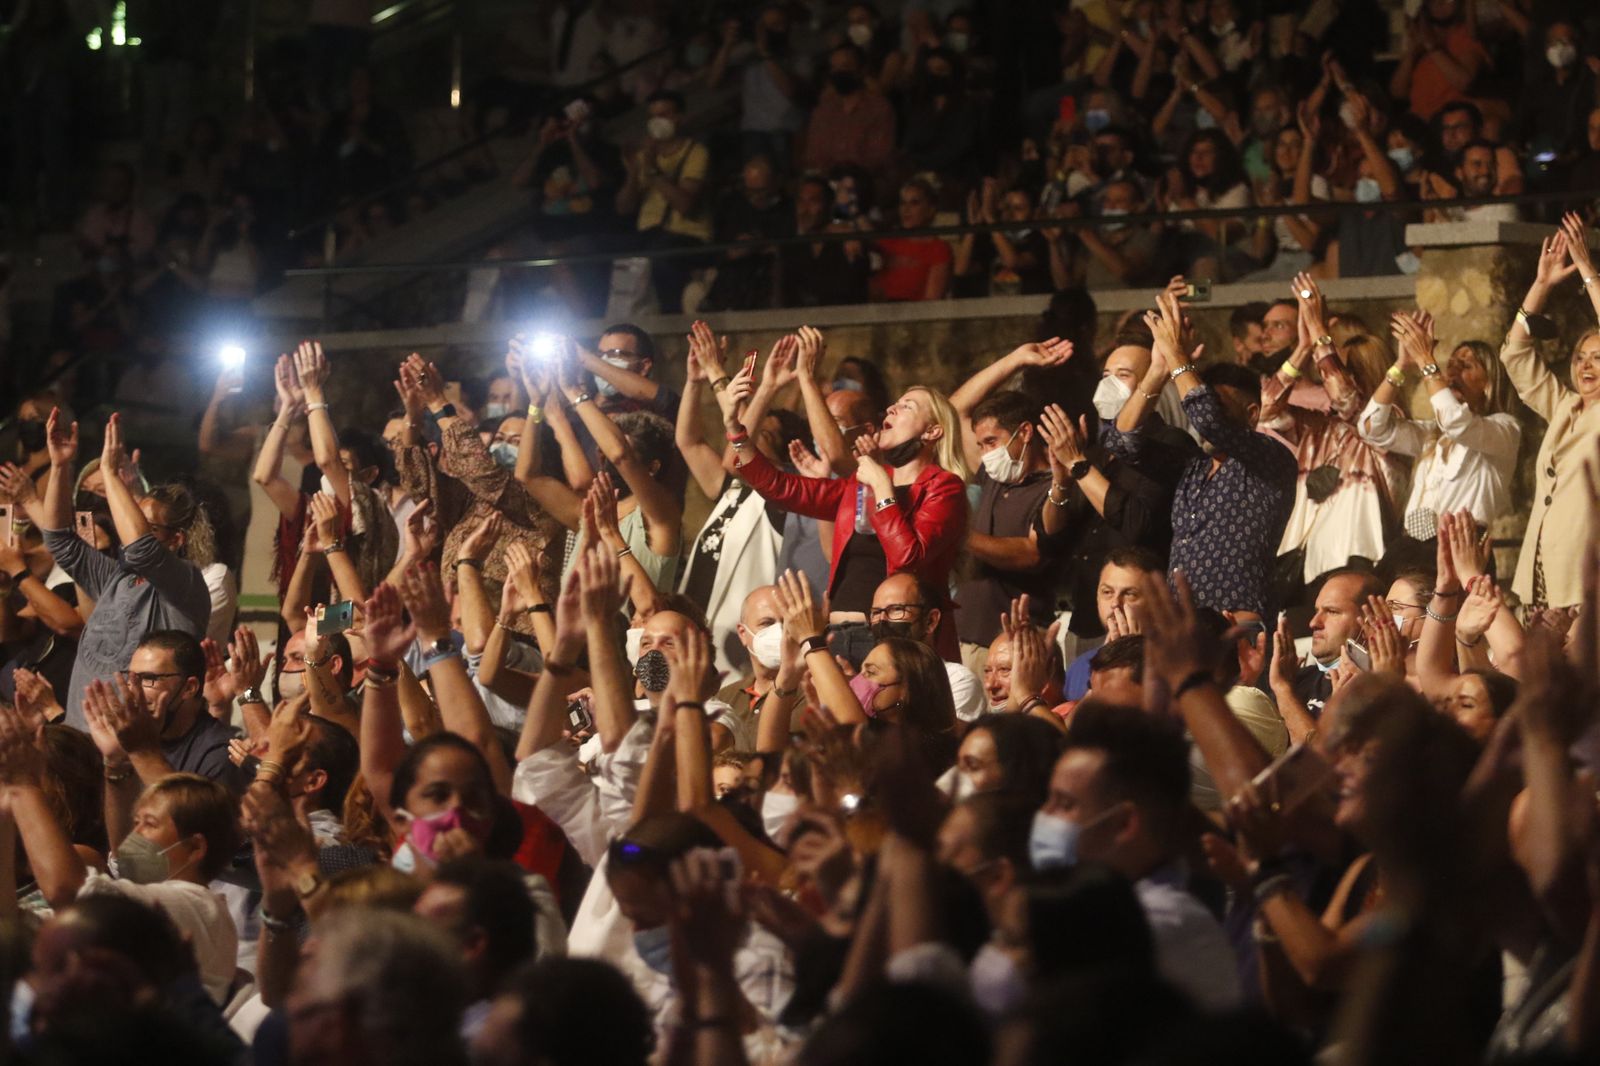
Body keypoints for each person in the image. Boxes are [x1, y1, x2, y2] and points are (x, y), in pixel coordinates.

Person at [727, 381, 970, 659]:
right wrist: (736, 431)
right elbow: (780, 489)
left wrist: (881, 486)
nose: (892, 407)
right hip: (837, 635)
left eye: (907, 406)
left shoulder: (943, 486)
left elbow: (908, 557)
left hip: (891, 642)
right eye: (895, 402)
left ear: (932, 431)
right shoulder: (861, 483)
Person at [1031, 702, 1242, 1012]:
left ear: (1124, 824)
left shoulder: (1160, 927)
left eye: (1064, 804)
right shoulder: (1101, 904)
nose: (1044, 816)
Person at [1104, 293, 1297, 621]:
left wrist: (1179, 356)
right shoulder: (1192, 465)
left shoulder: (1269, 457)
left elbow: (1208, 418)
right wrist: (1158, 370)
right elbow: (1122, 441)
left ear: (1252, 413)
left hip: (1237, 628)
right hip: (1182, 630)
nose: (1201, 414)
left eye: (1220, 404)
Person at [19, 410, 212, 731]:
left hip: (131, 749)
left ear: (176, 539)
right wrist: (60, 466)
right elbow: (59, 540)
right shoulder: (118, 577)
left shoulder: (185, 583)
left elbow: (141, 548)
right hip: (80, 740)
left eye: (147, 525)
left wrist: (108, 472)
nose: (129, 528)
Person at [1501, 223, 1600, 609]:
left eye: (1598, 358)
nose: (1586, 366)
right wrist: (1541, 285)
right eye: (1581, 357)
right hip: (1539, 575)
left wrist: (1587, 270)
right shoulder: (1564, 405)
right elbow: (1515, 354)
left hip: (1584, 582)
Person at [949, 367, 1072, 666]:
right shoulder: (994, 474)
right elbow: (955, 409)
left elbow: (1031, 553)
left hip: (1015, 646)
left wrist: (958, 534)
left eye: (992, 442)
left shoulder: (1056, 488)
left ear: (1026, 432)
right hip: (965, 636)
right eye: (981, 445)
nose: (986, 453)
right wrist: (1018, 359)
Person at [1359, 321, 1520, 540]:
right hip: (1412, 548)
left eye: (1466, 366)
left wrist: (1425, 359)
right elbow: (1372, 429)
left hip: (1458, 549)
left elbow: (1456, 422)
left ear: (1489, 382)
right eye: (1451, 365)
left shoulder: (1505, 429)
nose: (1452, 372)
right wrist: (1401, 365)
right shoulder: (1431, 436)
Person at [615, 90, 711, 314]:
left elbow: (685, 205)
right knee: (601, 250)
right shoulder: (644, 155)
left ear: (679, 117)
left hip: (687, 235)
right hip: (648, 233)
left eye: (664, 115)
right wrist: (631, 172)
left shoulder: (696, 153)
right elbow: (623, 208)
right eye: (653, 116)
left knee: (662, 254)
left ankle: (671, 318)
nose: (658, 122)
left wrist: (652, 170)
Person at [868, 570, 986, 722]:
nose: (882, 620)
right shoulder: (865, 678)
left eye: (896, 609)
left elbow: (939, 739)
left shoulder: (957, 680)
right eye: (876, 612)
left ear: (930, 621)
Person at [1061, 549, 1166, 701]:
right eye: (1107, 592)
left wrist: (1134, 654)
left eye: (1130, 594)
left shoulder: (1173, 664)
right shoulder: (1079, 666)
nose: (1115, 603)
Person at [802, 43, 897, 193]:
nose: (839, 72)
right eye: (835, 67)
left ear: (861, 70)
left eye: (845, 66)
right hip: (828, 185)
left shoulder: (878, 108)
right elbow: (814, 154)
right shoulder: (823, 111)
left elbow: (879, 156)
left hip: (864, 186)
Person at [872, 177, 952, 302]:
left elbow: (932, 299)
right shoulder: (888, 240)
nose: (906, 210)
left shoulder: (938, 248)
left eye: (914, 203)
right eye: (903, 203)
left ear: (930, 210)